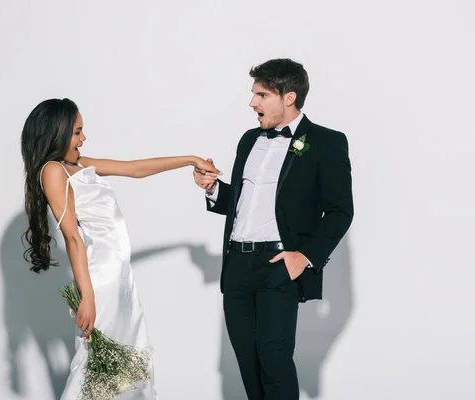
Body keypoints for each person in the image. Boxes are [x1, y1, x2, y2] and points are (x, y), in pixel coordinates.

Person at [20, 98, 220, 399]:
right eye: (77, 132)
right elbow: (73, 237)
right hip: (100, 283)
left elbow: (136, 169)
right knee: (94, 371)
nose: (83, 138)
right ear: (56, 132)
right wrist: (87, 297)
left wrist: (191, 159)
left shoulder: (75, 166)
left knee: (123, 372)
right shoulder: (52, 170)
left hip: (120, 279)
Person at [193, 58, 353, 399]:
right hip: (236, 266)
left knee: (274, 361)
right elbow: (243, 201)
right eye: (254, 94)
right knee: (247, 365)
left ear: (289, 97)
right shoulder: (248, 140)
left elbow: (341, 212)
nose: (252, 103)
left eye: (261, 95)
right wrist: (212, 189)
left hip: (277, 267)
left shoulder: (326, 142)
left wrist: (305, 257)